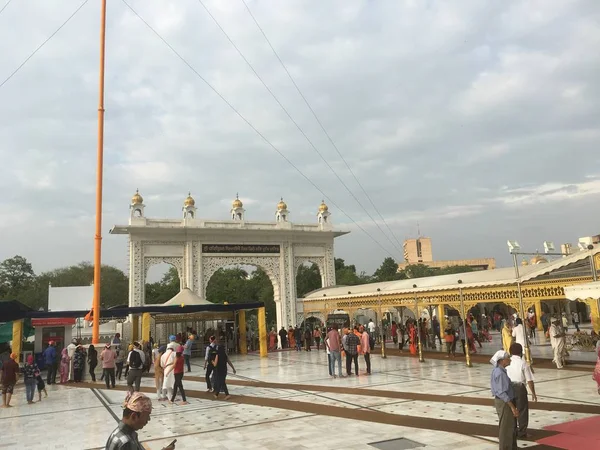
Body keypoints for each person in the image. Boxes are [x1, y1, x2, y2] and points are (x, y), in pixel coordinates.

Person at [105, 392, 176, 450]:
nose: (148, 419)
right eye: (147, 416)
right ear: (134, 416)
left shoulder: (117, 433)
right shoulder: (127, 442)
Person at [490, 350, 519, 450]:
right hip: (504, 402)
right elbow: (502, 392)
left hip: (503, 402)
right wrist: (512, 407)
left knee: (509, 426)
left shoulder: (499, 370)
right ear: (502, 361)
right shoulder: (500, 373)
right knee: (506, 427)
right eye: (508, 358)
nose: (510, 360)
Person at [507, 343, 537, 438]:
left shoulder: (507, 362)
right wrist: (533, 393)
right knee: (522, 410)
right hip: (520, 387)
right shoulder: (523, 363)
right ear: (521, 352)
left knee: (511, 409)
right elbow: (529, 380)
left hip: (509, 387)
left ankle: (512, 430)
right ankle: (522, 432)